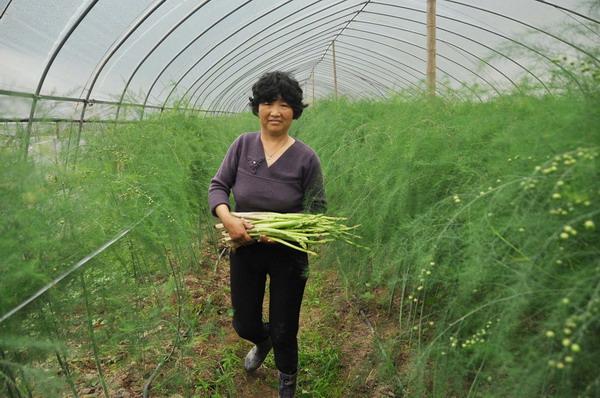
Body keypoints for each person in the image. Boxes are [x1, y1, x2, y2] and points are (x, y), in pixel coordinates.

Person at [208, 71, 326, 397]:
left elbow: (317, 209)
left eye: (284, 104)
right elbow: (218, 187)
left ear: (294, 112)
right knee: (243, 322)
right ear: (257, 107)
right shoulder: (243, 145)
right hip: (244, 247)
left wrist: (288, 231)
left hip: (288, 252)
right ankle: (262, 341)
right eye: (268, 103)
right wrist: (226, 217)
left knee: (285, 329)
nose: (275, 110)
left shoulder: (306, 158)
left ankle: (287, 380)